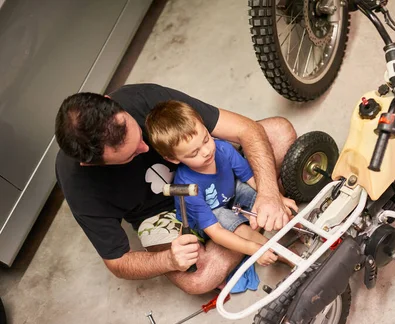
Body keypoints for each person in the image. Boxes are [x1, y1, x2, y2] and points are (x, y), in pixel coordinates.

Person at [54, 83, 297, 294]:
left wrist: (267, 193)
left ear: (110, 103)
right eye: (129, 156)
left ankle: (245, 222)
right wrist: (169, 259)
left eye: (139, 134)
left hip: (212, 174)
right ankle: (246, 223)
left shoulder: (141, 98)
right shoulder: (78, 183)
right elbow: (118, 262)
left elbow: (246, 129)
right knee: (198, 279)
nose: (145, 148)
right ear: (90, 163)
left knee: (279, 132)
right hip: (164, 214)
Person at [145, 100, 297, 267]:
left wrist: (276, 198)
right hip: (211, 215)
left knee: (258, 195)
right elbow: (216, 232)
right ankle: (281, 254)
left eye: (205, 139)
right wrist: (254, 250)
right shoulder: (187, 188)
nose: (206, 151)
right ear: (173, 159)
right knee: (226, 220)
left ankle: (302, 228)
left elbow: (250, 178)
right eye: (194, 152)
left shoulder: (222, 148)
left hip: (230, 192)